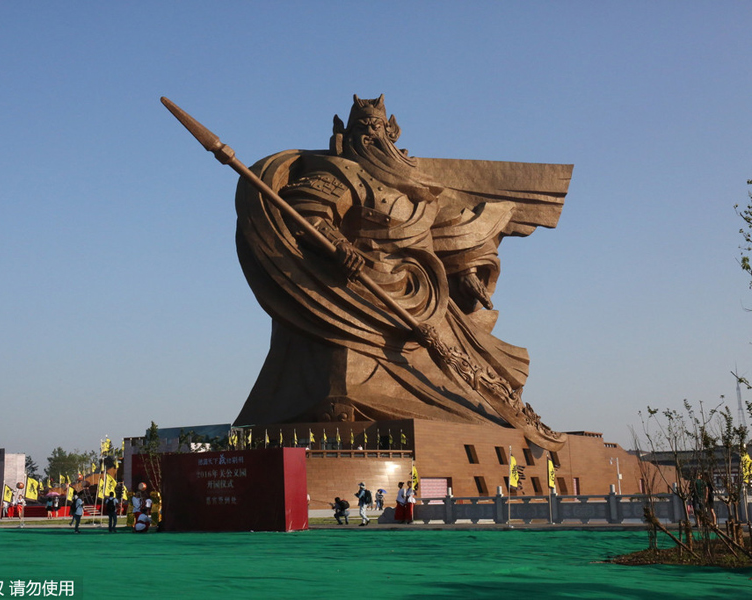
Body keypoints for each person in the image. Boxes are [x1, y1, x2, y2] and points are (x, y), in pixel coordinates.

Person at [232, 95, 570, 452]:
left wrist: (466, 271)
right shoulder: (337, 172)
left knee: (469, 357)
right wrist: (338, 245)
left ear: (390, 133)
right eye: (361, 129)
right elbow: (310, 215)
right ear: (344, 136)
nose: (369, 136)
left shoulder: (411, 185)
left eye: (375, 128)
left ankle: (491, 409)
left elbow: (441, 234)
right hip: (359, 289)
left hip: (420, 293)